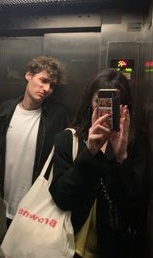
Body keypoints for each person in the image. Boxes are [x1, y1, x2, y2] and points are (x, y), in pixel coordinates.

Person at [49, 69, 147, 258]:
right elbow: (62, 198)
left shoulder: (134, 144)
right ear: (90, 103)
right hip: (68, 245)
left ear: (124, 108)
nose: (106, 111)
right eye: (99, 103)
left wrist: (121, 158)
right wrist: (91, 152)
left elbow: (137, 210)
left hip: (114, 249)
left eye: (114, 104)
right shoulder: (68, 140)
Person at [0, 56, 69, 226]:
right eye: (43, 80)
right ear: (28, 75)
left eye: (52, 85)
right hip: (0, 205)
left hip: (35, 211)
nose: (46, 88)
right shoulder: (5, 110)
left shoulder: (57, 117)